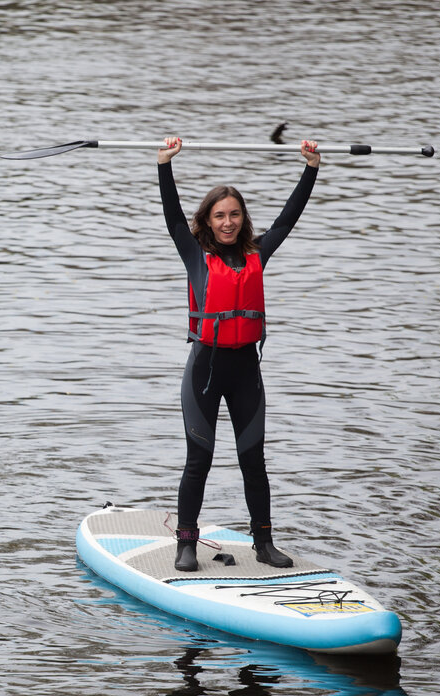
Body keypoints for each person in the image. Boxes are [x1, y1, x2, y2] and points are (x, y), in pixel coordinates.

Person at [158, 135, 320, 572]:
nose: (228, 222)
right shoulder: (194, 255)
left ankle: (263, 544)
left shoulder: (257, 254)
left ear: (243, 218)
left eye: (234, 215)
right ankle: (186, 544)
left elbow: (288, 219)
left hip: (246, 369)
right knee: (200, 460)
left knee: (253, 459)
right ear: (207, 222)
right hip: (205, 372)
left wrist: (311, 169)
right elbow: (173, 218)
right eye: (219, 216)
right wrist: (165, 165)